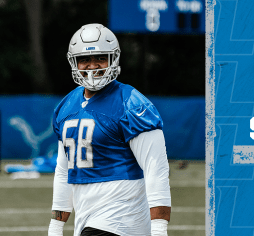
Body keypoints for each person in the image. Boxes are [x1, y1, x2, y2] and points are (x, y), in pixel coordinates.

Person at [48, 23, 171, 236]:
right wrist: (56, 226)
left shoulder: (131, 103)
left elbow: (156, 168)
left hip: (122, 219)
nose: (92, 65)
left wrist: (159, 229)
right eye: (85, 59)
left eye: (100, 58)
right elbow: (63, 171)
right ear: (74, 62)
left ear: (113, 59)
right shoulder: (66, 106)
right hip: (88, 219)